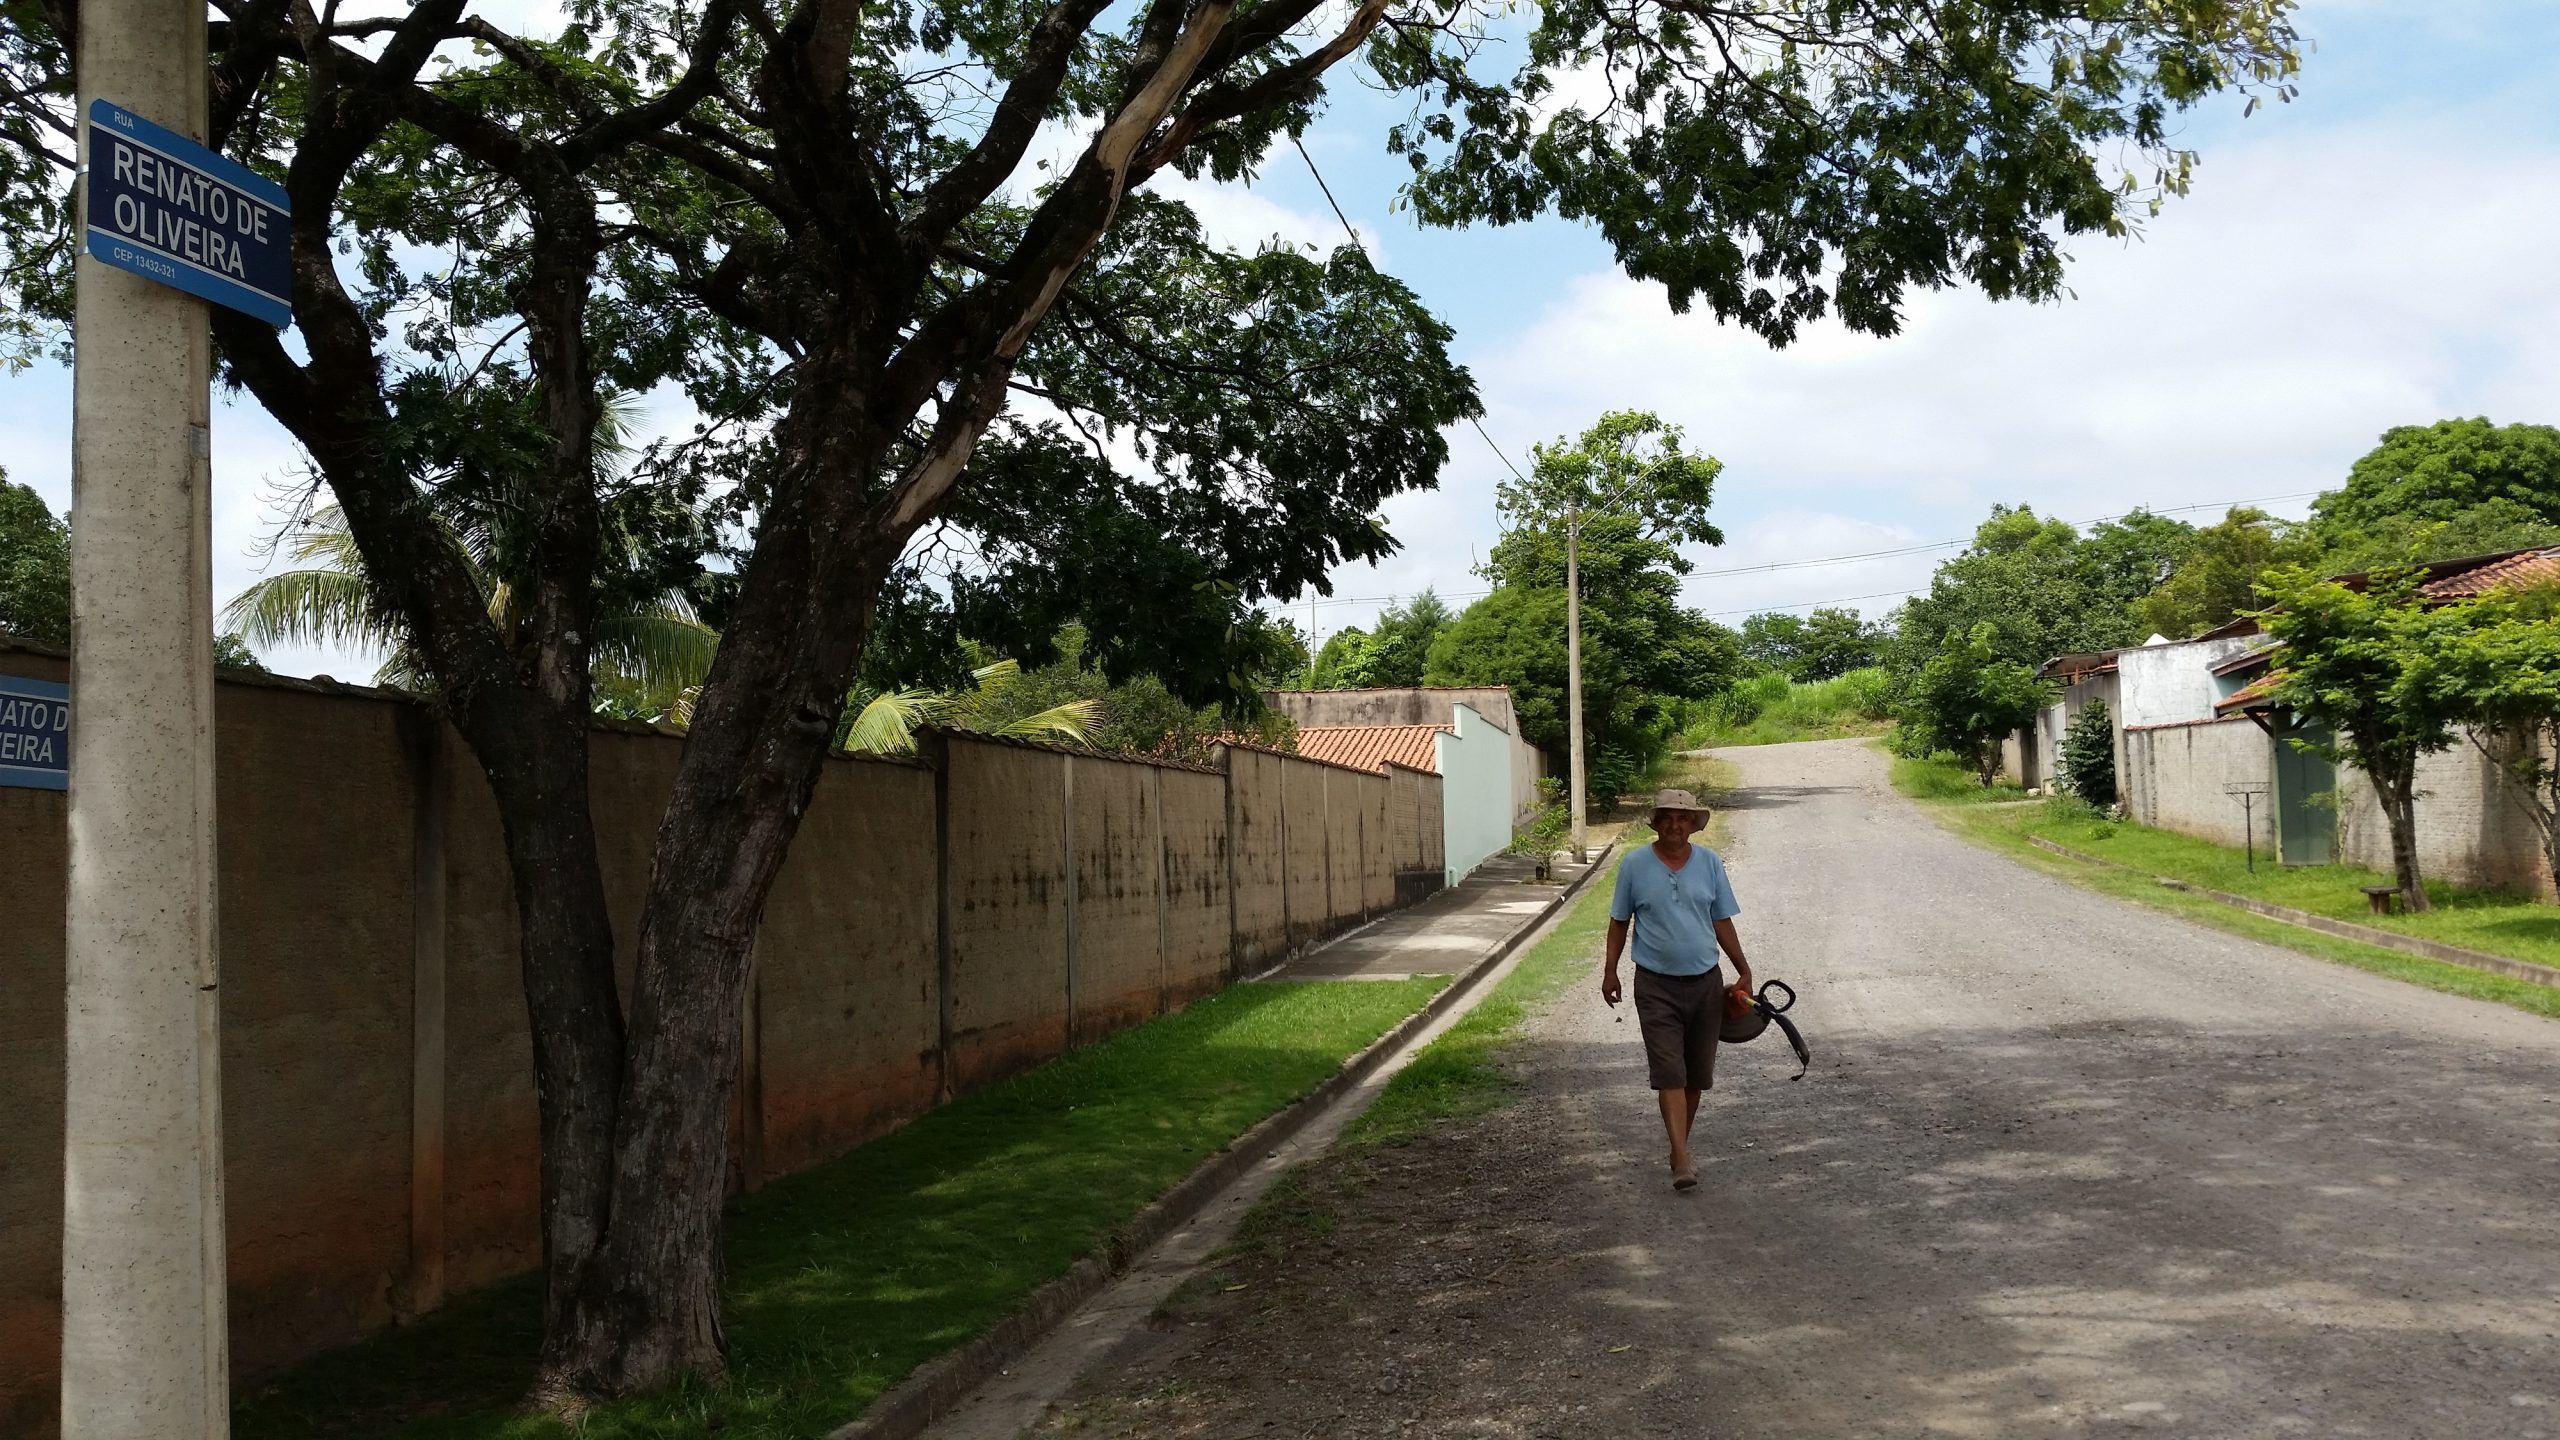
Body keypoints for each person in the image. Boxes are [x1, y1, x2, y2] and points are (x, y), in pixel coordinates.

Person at [1600, 787, 1753, 1191]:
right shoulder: (1634, 865)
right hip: (1654, 985)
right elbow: (1619, 922)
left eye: (1682, 818)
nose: (1674, 825)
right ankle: (1682, 1159)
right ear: (1656, 821)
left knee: (1696, 1075)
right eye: (1666, 817)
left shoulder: (1709, 863)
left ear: (1692, 825)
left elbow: (1721, 920)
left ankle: (1678, 1143)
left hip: (1706, 982)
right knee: (1669, 1070)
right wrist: (1610, 971)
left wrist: (1743, 970)